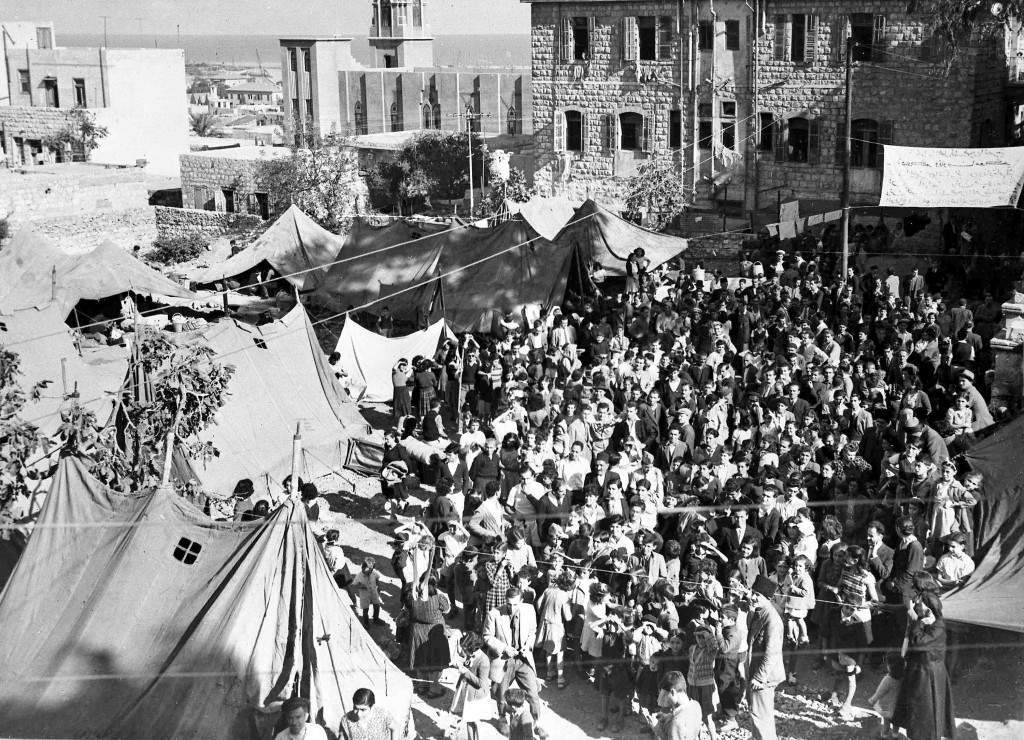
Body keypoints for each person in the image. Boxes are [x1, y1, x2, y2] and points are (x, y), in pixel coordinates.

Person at [892, 576, 956, 740]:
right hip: (919, 672)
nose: (916, 606)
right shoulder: (925, 621)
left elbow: (918, 642)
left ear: (929, 609)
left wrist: (917, 622)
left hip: (929, 675)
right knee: (916, 711)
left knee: (927, 713)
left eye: (920, 605)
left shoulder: (938, 627)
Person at [746, 575, 785, 740]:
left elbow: (772, 653)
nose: (753, 597)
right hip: (756, 672)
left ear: (768, 598)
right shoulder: (760, 612)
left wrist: (759, 677)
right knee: (757, 713)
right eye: (753, 593)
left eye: (757, 595)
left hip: (764, 677)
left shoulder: (772, 621)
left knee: (761, 716)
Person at [449, 631, 494, 740]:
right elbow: (468, 667)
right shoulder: (471, 655)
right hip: (468, 693)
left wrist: (466, 673)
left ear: (472, 648)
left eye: (464, 649)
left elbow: (482, 684)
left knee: (475, 723)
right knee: (468, 720)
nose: (463, 651)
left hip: (476, 697)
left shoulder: (483, 661)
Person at [639, 670, 703, 740]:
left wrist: (655, 727)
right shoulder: (695, 705)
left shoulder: (676, 723)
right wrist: (669, 717)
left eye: (664, 695)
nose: (663, 700)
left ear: (672, 692)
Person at [868, 652, 905, 739]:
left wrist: (872, 700)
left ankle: (884, 737)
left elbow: (880, 692)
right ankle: (895, 736)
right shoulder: (904, 678)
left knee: (886, 723)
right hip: (899, 707)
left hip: (887, 707)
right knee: (896, 724)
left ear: (890, 667)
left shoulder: (888, 680)